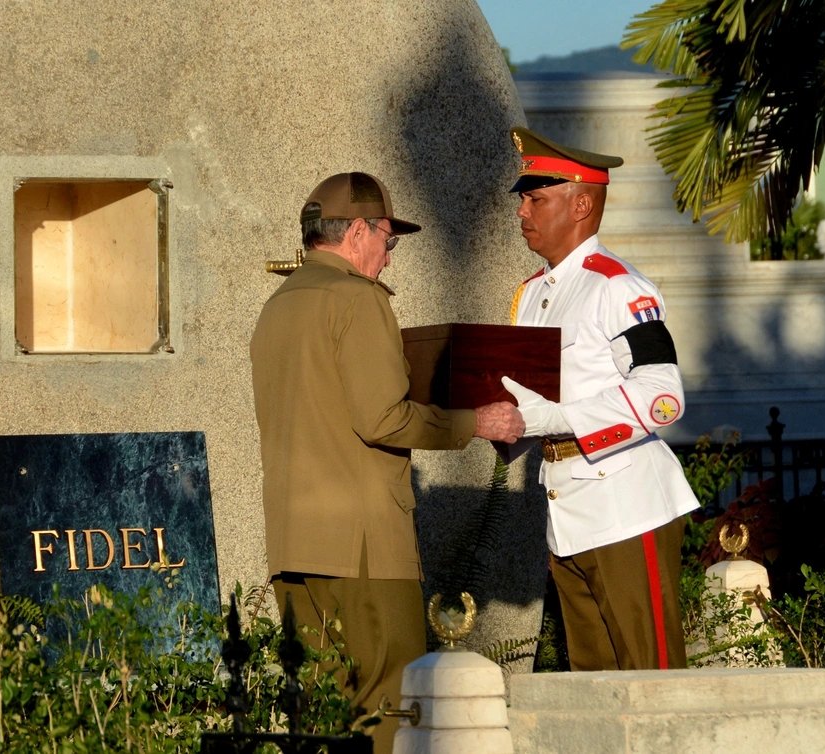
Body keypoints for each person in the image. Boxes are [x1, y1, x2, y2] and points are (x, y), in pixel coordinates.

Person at [250, 171, 524, 752]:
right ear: (356, 232)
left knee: (322, 712)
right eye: (387, 242)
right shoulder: (358, 299)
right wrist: (479, 422)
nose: (388, 259)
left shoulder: (279, 305)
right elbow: (383, 418)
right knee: (387, 708)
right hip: (365, 546)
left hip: (296, 544)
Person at [500, 127, 700, 671]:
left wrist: (557, 418)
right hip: (568, 510)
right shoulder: (533, 292)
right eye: (523, 198)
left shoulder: (617, 286)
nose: (522, 210)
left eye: (536, 198)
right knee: (596, 690)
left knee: (651, 678)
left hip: (626, 505)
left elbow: (662, 398)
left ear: (581, 203)